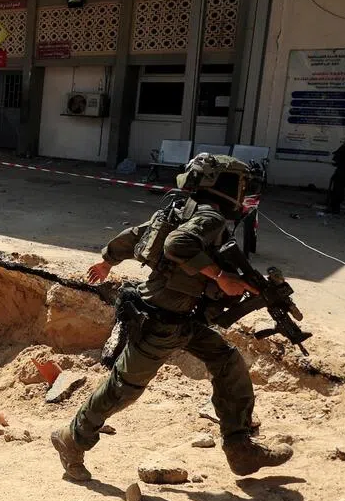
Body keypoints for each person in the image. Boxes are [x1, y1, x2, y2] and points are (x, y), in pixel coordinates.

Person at [51, 153, 294, 482]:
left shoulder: (182, 208)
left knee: (228, 363)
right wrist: (221, 275)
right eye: (239, 184)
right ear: (222, 183)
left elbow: (137, 235)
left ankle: (239, 448)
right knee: (124, 387)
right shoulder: (210, 218)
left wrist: (109, 260)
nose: (242, 190)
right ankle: (71, 439)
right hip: (161, 322)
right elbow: (176, 245)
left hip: (182, 318)